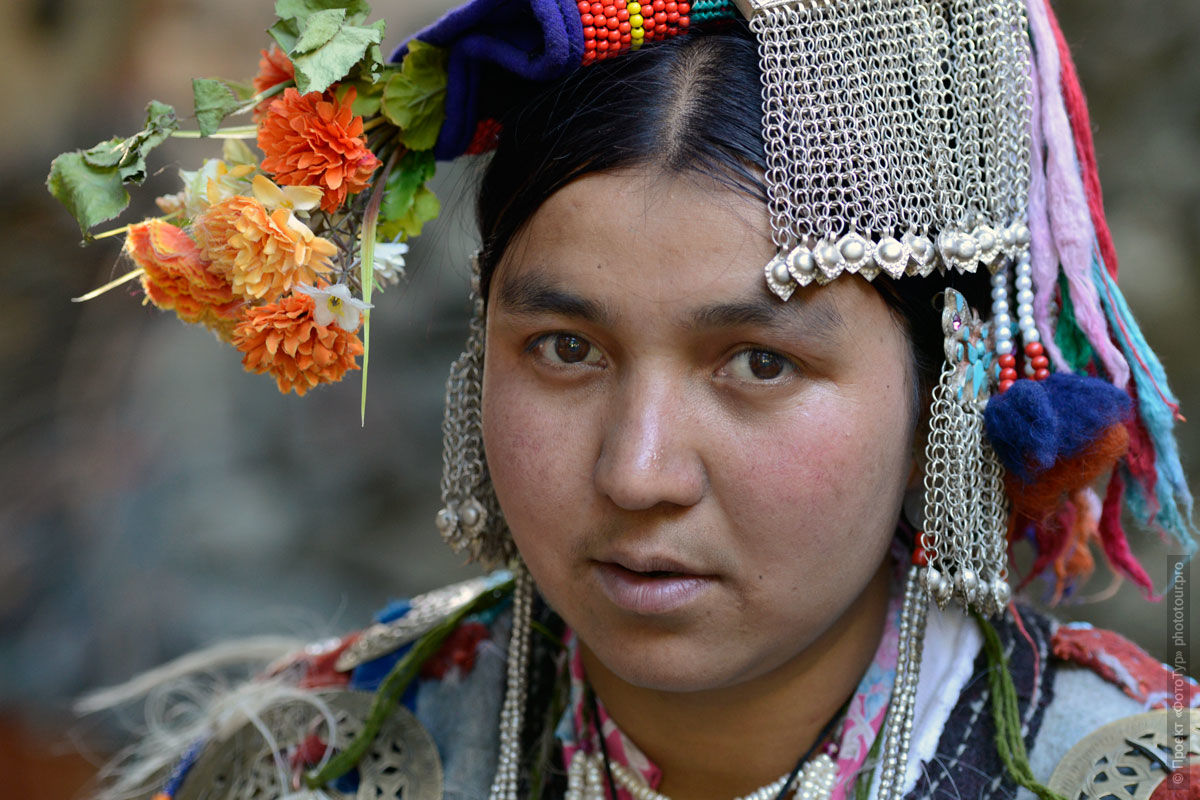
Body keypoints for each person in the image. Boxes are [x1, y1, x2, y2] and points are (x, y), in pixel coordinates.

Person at [59, 1, 1197, 799]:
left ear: (942, 394)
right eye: (565, 347)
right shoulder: (309, 765)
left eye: (758, 362)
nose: (638, 470)